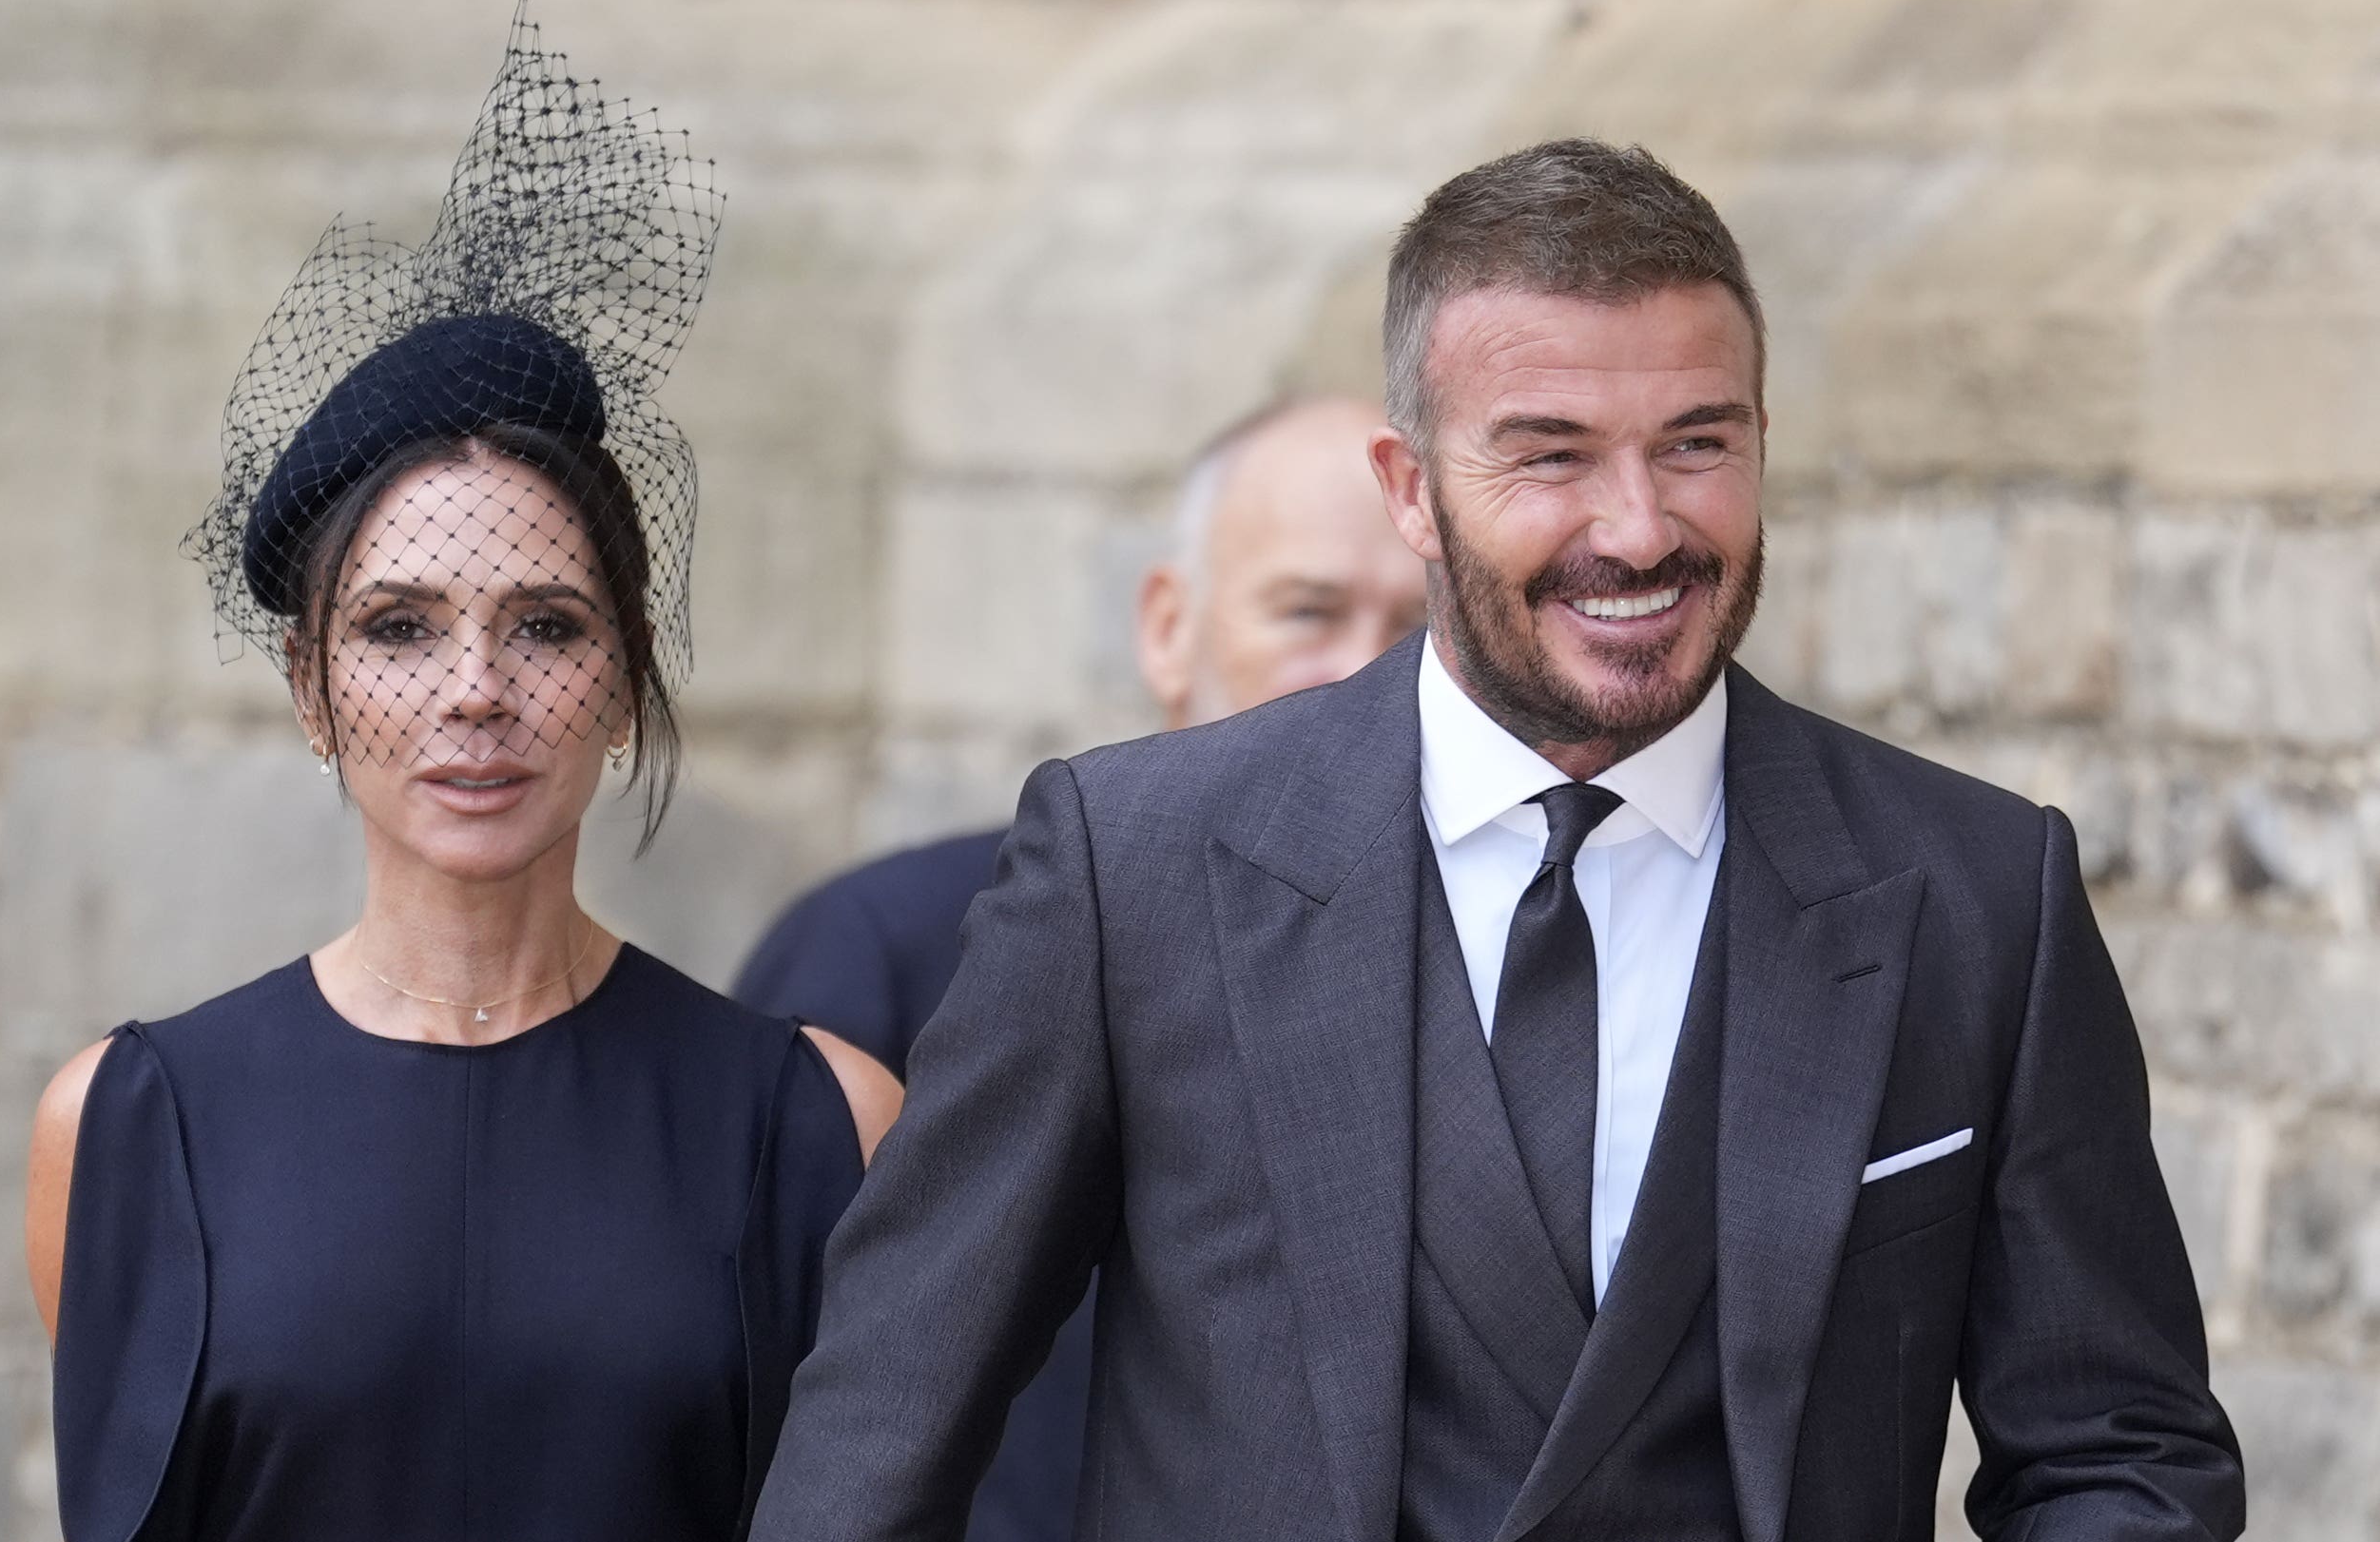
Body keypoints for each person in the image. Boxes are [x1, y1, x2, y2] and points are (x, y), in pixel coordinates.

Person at [749, 140, 2244, 1541]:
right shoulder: (1131, 864)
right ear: (1410, 490)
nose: (1641, 527)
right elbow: (885, 1422)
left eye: (1697, 442)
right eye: (1551, 455)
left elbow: (2120, 1448)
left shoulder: (1979, 893)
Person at [23, 0, 900, 1542]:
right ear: (310, 684)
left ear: (624, 672)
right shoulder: (124, 1118)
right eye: (400, 626)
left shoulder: (819, 1120)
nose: (476, 690)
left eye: (545, 623)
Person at [731, 394, 1424, 1542]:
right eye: (1307, 609)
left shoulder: (1512, 961)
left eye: (1411, 631)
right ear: (1167, 626)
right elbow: (787, 1417)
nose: (1359, 674)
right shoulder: (891, 951)